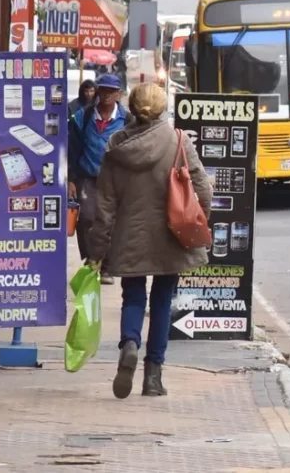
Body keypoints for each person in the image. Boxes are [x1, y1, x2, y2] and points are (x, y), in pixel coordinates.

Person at [88, 83, 212, 399]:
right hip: (171, 235)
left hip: (129, 237)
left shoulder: (116, 146)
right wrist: (199, 220)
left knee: (133, 296)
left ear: (132, 109)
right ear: (161, 108)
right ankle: (153, 377)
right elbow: (204, 189)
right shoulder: (179, 141)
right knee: (161, 301)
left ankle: (129, 342)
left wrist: (96, 252)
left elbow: (105, 206)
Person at [69, 73, 128, 284]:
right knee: (86, 219)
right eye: (102, 90)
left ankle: (107, 267)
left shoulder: (127, 120)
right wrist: (71, 179)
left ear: (118, 94)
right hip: (87, 177)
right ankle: (91, 260)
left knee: (111, 222)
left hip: (116, 180)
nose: (105, 95)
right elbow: (72, 149)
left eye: (111, 91)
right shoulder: (82, 117)